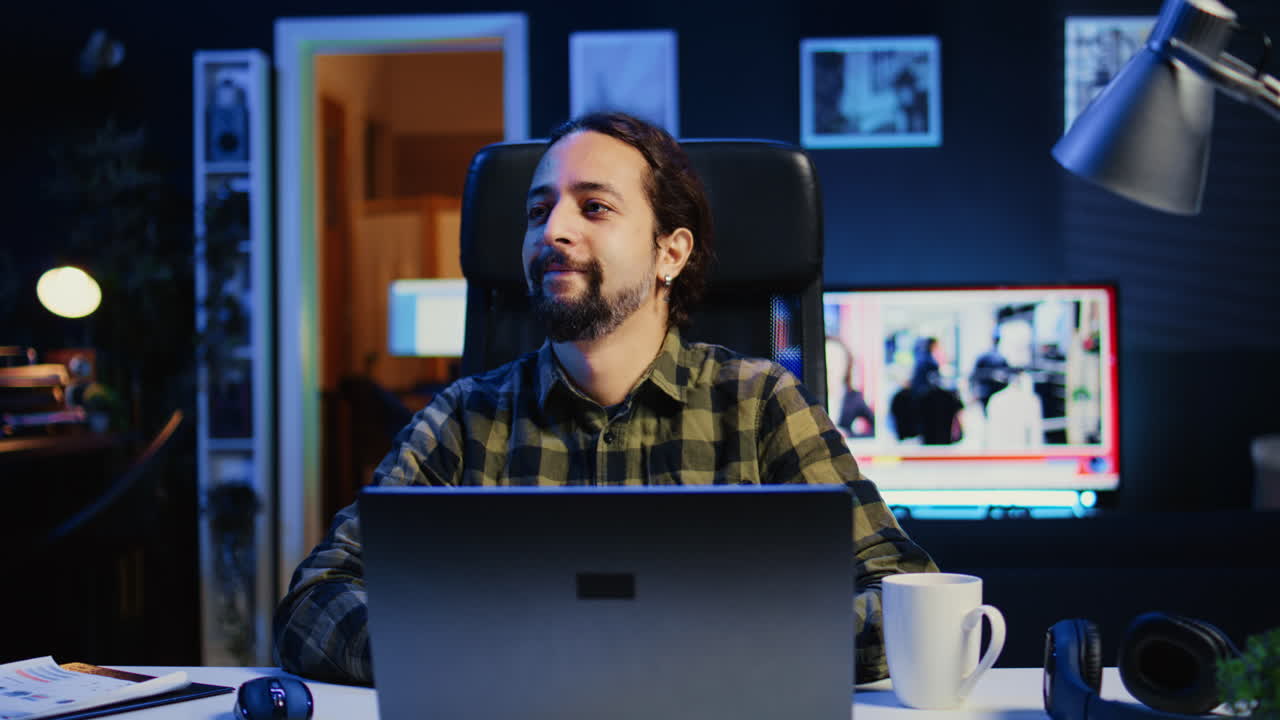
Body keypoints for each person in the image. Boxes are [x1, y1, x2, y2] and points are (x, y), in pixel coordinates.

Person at [273, 111, 936, 686]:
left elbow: (904, 601)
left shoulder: (761, 404)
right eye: (538, 210)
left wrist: (713, 647)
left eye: (593, 207)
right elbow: (313, 603)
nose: (552, 230)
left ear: (668, 254)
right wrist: (483, 650)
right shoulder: (464, 419)